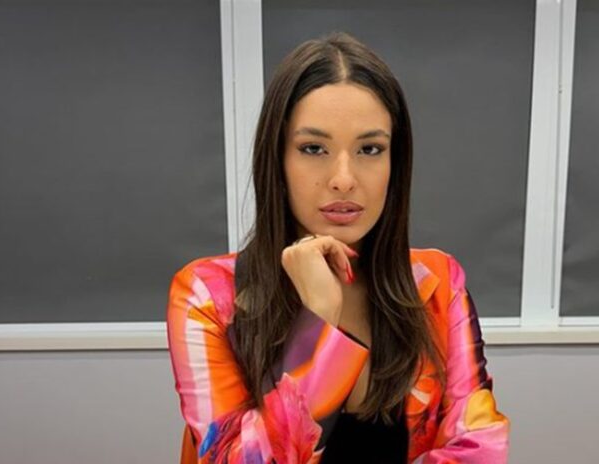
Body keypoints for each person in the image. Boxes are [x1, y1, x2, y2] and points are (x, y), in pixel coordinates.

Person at [166, 31, 510, 464]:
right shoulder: (208, 295)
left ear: (395, 162)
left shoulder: (437, 283)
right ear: (278, 160)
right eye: (314, 148)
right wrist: (317, 323)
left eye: (370, 149)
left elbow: (478, 449)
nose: (344, 179)